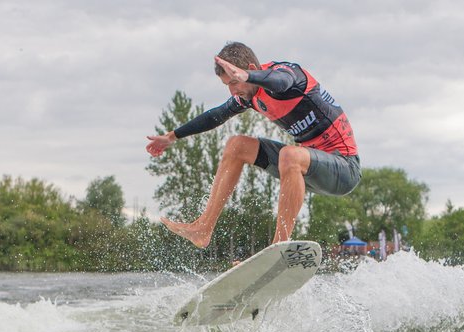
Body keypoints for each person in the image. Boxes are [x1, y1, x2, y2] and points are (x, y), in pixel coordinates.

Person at [146, 41, 361, 249]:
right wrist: (172, 136)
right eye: (227, 85)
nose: (232, 91)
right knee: (236, 146)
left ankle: (280, 247)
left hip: (343, 168)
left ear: (249, 70)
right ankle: (203, 228)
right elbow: (216, 116)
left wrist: (249, 77)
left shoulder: (288, 76)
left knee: (290, 154)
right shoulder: (250, 96)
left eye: (234, 82)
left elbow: (281, 81)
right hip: (309, 169)